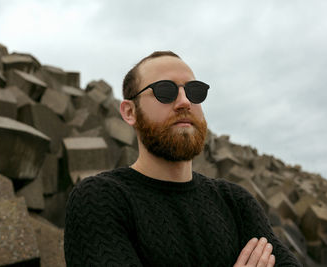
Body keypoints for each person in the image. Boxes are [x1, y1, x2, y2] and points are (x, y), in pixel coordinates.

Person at [64, 51, 301, 267]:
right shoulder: (100, 198)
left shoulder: (235, 202)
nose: (185, 102)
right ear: (129, 111)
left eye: (194, 91)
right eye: (165, 91)